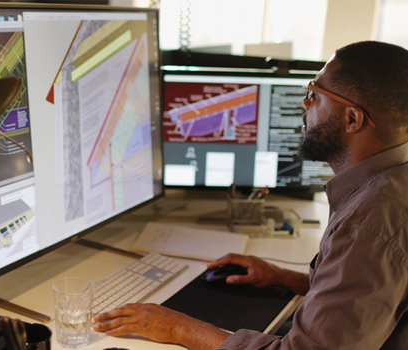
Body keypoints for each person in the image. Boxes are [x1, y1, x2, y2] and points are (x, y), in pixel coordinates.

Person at [93, 41, 408, 350]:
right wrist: (284, 277)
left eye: (315, 94)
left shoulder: (370, 223)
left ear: (352, 119)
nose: (305, 104)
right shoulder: (392, 186)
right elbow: (367, 299)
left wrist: (179, 328)